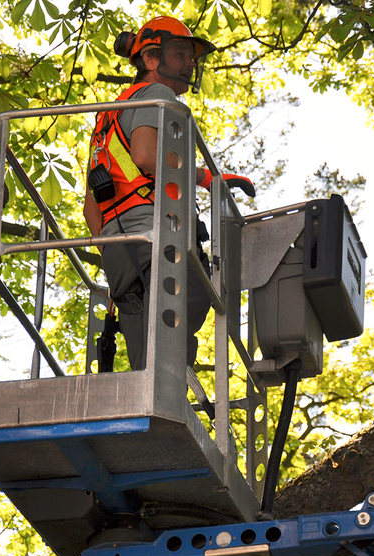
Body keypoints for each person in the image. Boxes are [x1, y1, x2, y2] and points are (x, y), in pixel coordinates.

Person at [83, 16, 252, 370]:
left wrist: (112, 247)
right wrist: (206, 177)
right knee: (188, 302)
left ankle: (151, 406)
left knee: (145, 339)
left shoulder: (108, 118)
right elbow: (146, 156)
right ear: (151, 59)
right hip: (154, 237)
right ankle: (165, 404)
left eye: (191, 57)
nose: (190, 63)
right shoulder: (157, 96)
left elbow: (90, 209)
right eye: (180, 54)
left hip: (121, 246)